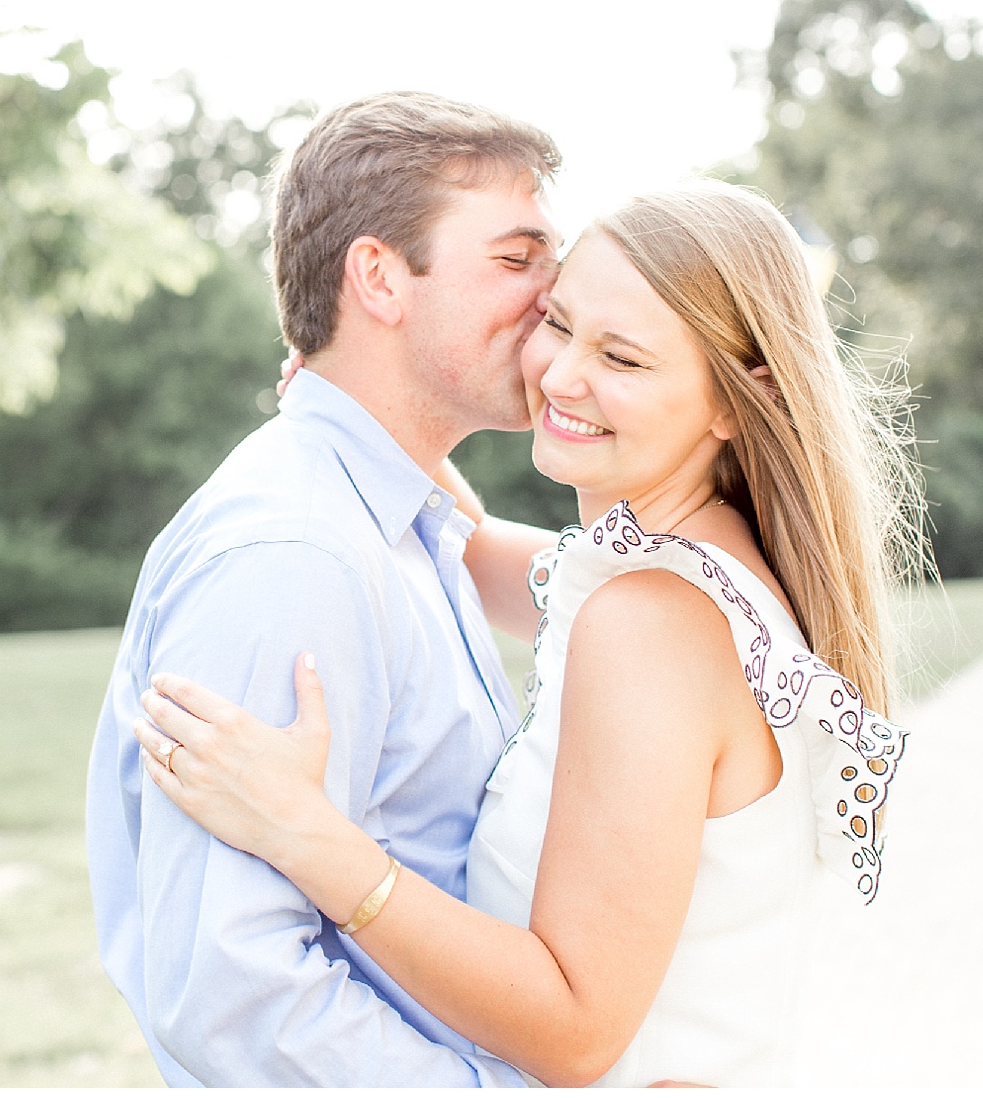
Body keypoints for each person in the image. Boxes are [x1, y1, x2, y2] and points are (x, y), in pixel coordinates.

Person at [133, 180, 922, 1086]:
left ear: (734, 404)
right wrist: (373, 414)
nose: (560, 374)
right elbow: (476, 550)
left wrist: (306, 834)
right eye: (559, 321)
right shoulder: (687, 570)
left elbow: (574, 1030)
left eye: (621, 358)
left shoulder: (652, 627)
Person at [86, 91, 566, 1086]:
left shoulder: (398, 521)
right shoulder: (295, 556)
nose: (556, 302)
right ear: (380, 278)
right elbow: (236, 1001)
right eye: (518, 260)